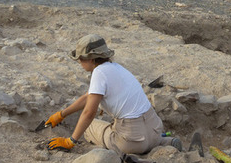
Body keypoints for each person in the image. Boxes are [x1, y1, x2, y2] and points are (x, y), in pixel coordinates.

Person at [40, 34, 180, 156]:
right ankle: (165, 142)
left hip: (131, 141)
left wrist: (70, 141)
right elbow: (88, 97)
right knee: (148, 137)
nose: (80, 63)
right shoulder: (117, 68)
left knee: (89, 127)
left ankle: (139, 147)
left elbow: (89, 113)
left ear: (91, 59)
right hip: (155, 127)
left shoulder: (99, 73)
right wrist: (61, 114)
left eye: (81, 59)